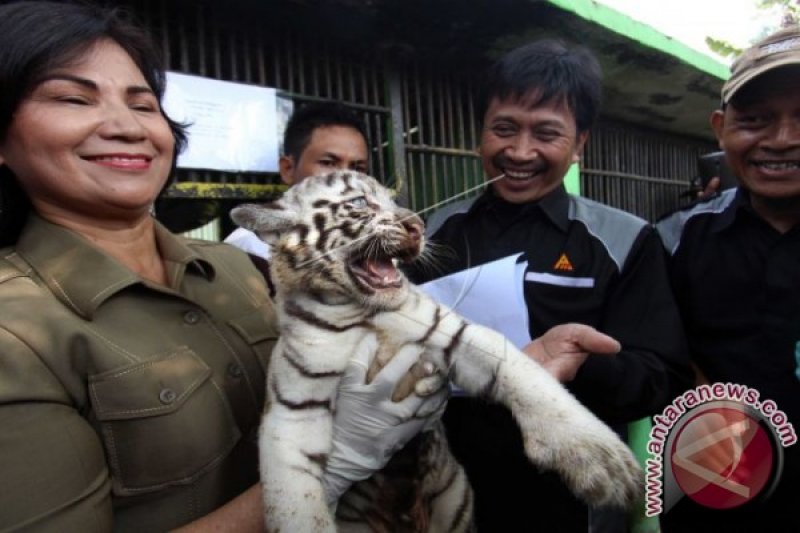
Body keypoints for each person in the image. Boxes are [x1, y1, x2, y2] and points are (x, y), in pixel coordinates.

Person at [0, 2, 444, 530]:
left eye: (143, 106)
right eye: (74, 98)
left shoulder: (234, 268)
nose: (125, 126)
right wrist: (334, 461)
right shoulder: (16, 330)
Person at [407, 39, 693, 532]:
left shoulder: (624, 241)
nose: (519, 152)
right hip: (448, 502)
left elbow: (660, 378)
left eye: (546, 133)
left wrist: (582, 364)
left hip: (573, 508)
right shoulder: (432, 235)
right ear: (480, 135)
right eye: (503, 129)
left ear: (580, 143)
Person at [656, 26, 800, 532]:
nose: (783, 140)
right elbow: (658, 354)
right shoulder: (673, 241)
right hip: (713, 501)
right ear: (721, 128)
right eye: (756, 120)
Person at [224, 101, 369, 259]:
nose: (346, 180)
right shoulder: (250, 247)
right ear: (288, 169)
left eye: (357, 169)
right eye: (328, 163)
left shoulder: (370, 243)